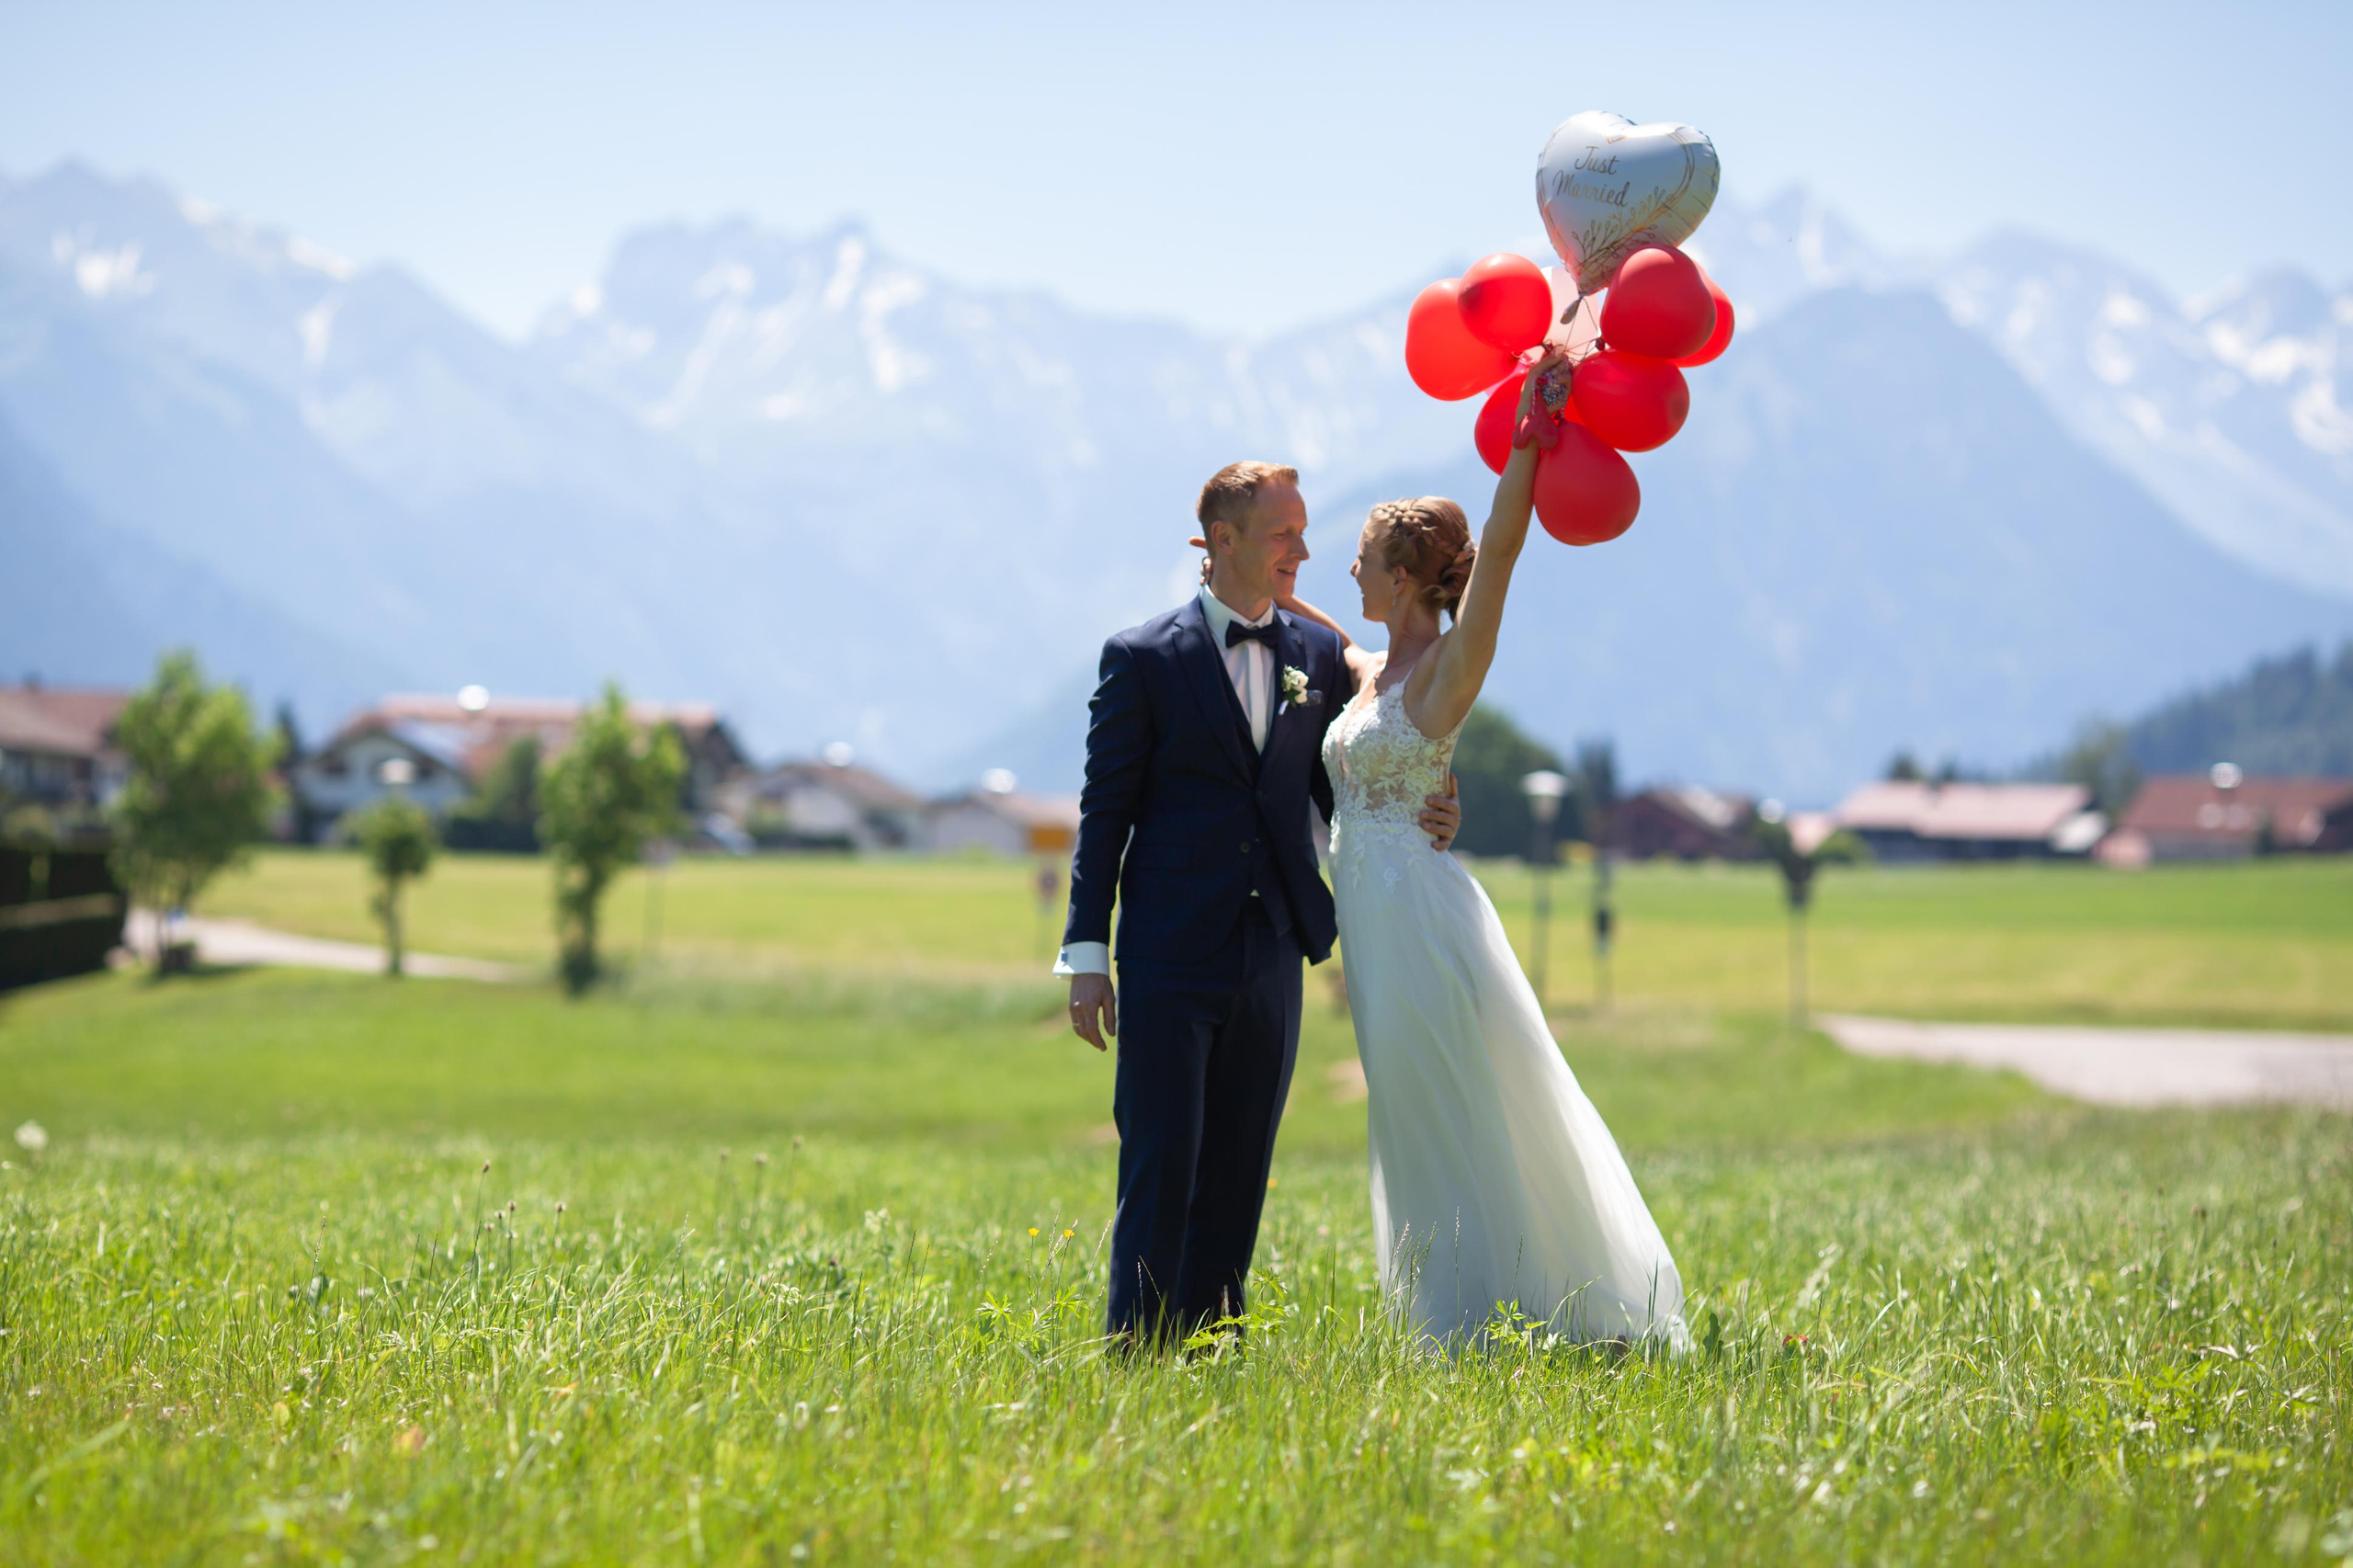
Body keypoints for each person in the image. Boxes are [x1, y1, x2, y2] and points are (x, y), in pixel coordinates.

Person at [1282, 346, 1690, 1350]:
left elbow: (1500, 553)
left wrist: (1528, 441)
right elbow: (1313, 623)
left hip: (1419, 918)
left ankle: (1475, 1319)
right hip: (1372, 925)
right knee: (1408, 1106)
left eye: (1363, 557)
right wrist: (1251, 573)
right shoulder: (1368, 672)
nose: (1349, 570)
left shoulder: (1448, 669)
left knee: (1451, 1101)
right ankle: (1459, 1306)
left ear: (1404, 575)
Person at [1058, 460, 1461, 1347]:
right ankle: (1136, 1352)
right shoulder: (1141, 658)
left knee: (1243, 1165)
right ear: (1223, 540)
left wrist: (1433, 801)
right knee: (1161, 1159)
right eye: (1285, 534)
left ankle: (1212, 1350)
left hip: (1273, 950)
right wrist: (1086, 956)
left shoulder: (1318, 657)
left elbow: (1350, 776)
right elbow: (1104, 815)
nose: (1303, 553)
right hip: (1167, 951)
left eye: (1305, 533)